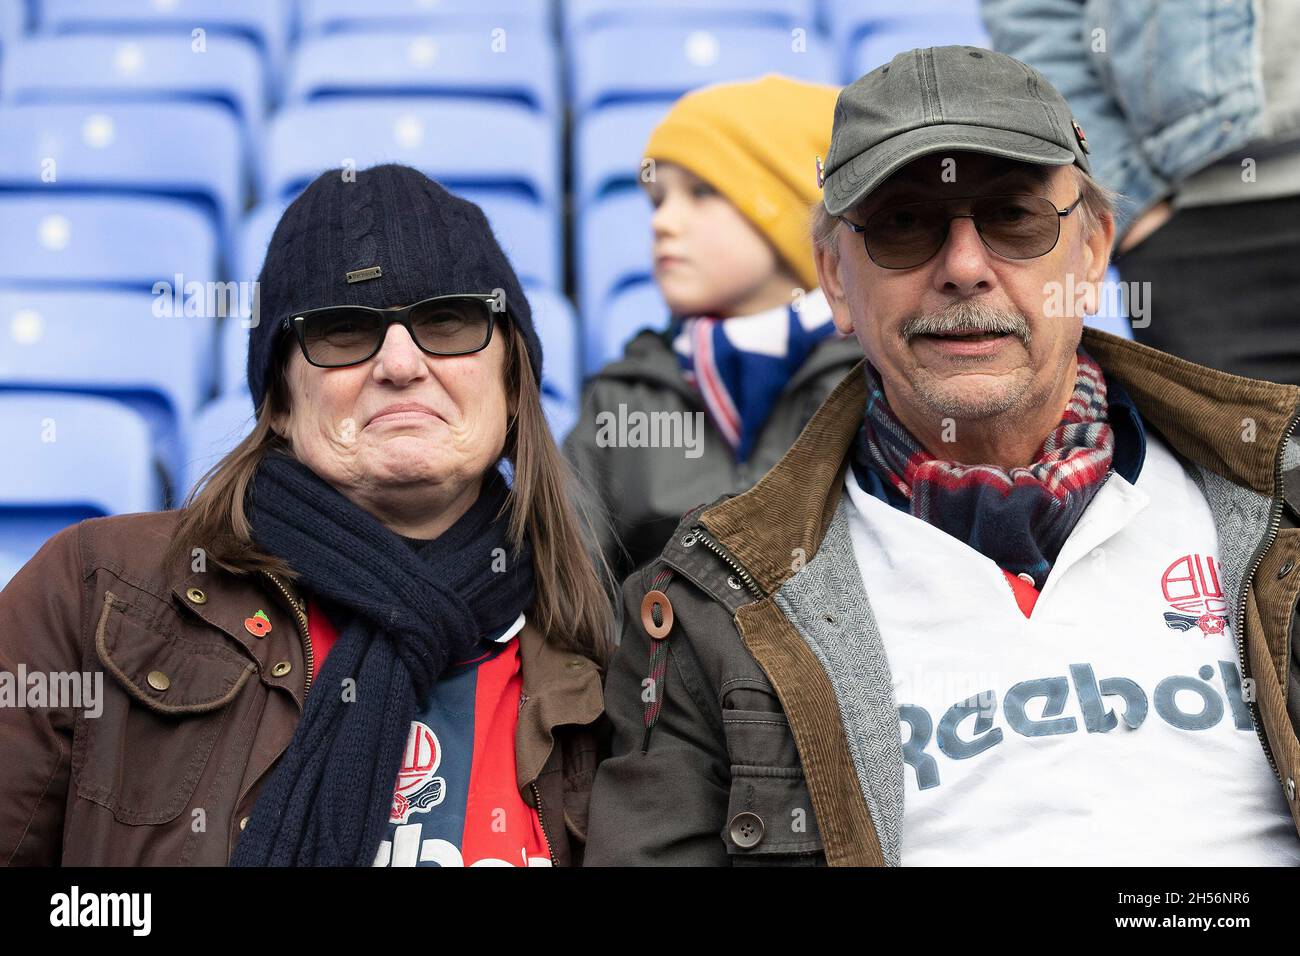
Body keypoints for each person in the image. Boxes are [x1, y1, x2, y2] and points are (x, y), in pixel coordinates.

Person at [585, 47, 1300, 866]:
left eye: (1014, 219)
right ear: (835, 281)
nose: (964, 269)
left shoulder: (1282, 501)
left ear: (1094, 251)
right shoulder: (711, 600)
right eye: (903, 226)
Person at [0, 164, 610, 867]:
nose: (401, 363)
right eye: (346, 331)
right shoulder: (97, 591)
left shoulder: (603, 660)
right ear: (281, 402)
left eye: (447, 320)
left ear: (512, 381)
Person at [564, 74, 862, 584]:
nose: (663, 222)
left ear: (792, 211)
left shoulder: (878, 376)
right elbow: (570, 596)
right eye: (658, 200)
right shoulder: (624, 396)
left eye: (702, 192)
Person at [983, 0, 1300, 384]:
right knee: (1224, 441)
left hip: (1187, 226)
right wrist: (1129, 200)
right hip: (1196, 230)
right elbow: (1034, 17)